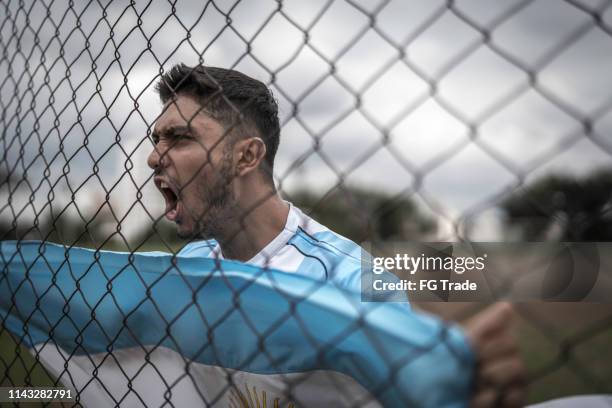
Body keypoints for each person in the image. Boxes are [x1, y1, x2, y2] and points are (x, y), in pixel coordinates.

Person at [147, 64, 526, 407]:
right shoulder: (185, 267)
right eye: (156, 139)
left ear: (246, 157)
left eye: (179, 138)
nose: (154, 156)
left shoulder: (352, 278)